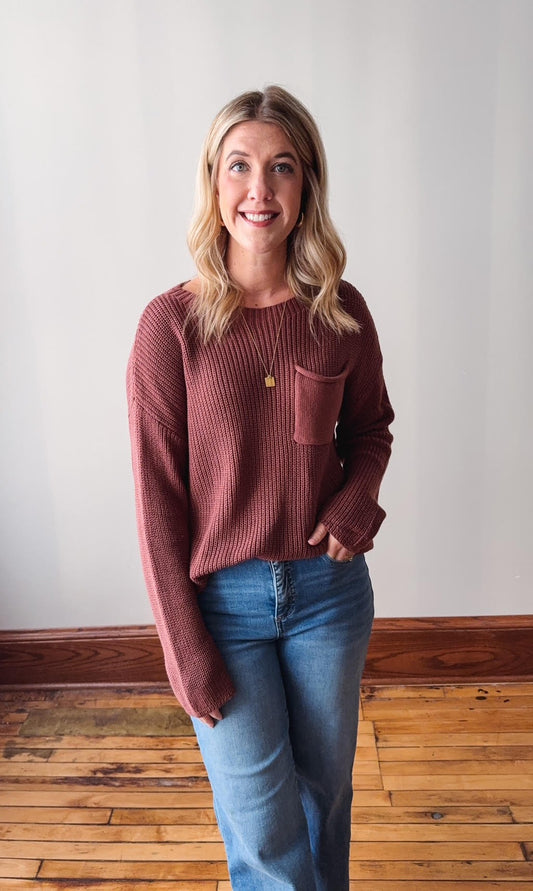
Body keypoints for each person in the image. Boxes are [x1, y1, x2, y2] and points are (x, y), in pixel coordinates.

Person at [127, 85, 393, 891]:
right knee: (263, 831)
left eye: (281, 167)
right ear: (213, 181)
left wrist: (356, 500)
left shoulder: (340, 312)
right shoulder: (169, 327)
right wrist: (183, 649)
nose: (259, 189)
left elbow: (370, 430)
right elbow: (157, 506)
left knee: (324, 800)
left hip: (328, 598)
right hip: (223, 608)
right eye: (238, 165)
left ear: (306, 183)